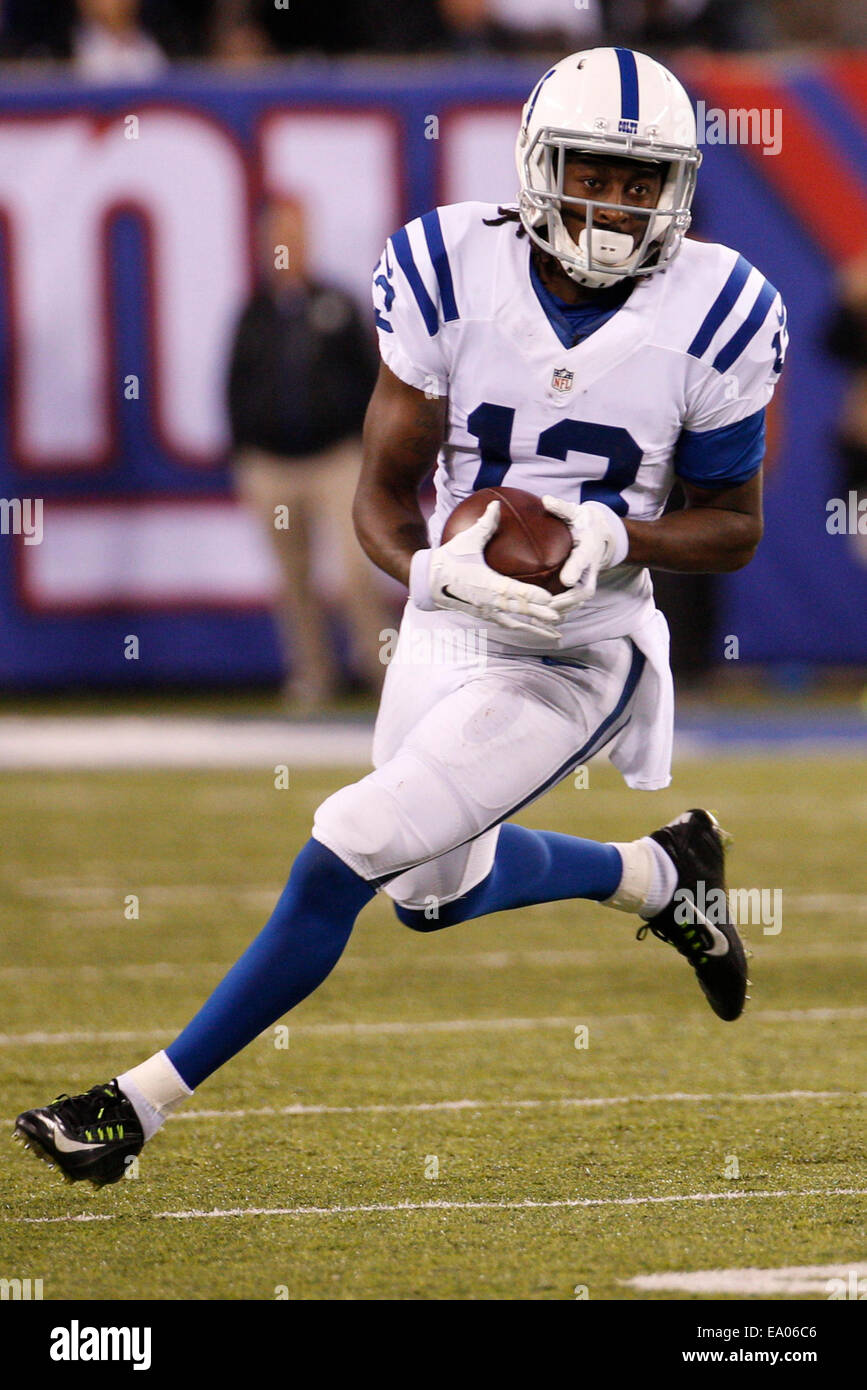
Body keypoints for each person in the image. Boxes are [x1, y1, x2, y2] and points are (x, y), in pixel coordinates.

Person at [15, 48, 786, 1187]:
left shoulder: (720, 307)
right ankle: (665, 875)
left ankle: (135, 1107)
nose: (613, 203)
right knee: (430, 894)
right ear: (538, 164)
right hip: (456, 616)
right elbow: (383, 492)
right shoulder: (446, 267)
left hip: (582, 646)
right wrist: (434, 571)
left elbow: (734, 524)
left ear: (673, 189)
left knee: (351, 843)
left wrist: (623, 537)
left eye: (638, 180)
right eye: (591, 170)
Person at [228, 197, 387, 706]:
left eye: (292, 237)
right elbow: (234, 386)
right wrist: (245, 453)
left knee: (356, 568)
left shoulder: (336, 304)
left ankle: (383, 671)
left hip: (336, 459)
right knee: (292, 578)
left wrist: (369, 448)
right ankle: (314, 675)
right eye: (276, 239)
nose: (284, 249)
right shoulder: (254, 313)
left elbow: (370, 380)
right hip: (272, 465)